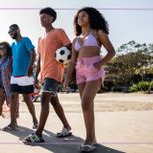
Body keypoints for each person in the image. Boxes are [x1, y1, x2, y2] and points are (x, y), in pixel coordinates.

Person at [64, 7, 115, 152]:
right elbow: (73, 61)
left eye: (84, 15)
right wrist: (67, 78)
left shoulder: (98, 32)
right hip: (80, 71)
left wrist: (99, 64)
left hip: (94, 70)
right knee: (87, 105)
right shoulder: (76, 40)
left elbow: (111, 51)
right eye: (78, 16)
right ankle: (92, 138)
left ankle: (88, 139)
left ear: (90, 18)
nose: (80, 18)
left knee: (85, 103)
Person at [24, 7, 72, 143]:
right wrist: (35, 75)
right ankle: (67, 127)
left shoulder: (59, 32)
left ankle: (38, 134)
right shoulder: (40, 38)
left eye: (44, 16)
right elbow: (40, 59)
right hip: (44, 74)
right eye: (40, 17)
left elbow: (70, 47)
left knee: (44, 99)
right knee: (54, 102)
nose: (41, 19)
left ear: (52, 18)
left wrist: (62, 55)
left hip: (55, 71)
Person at [5, 24, 38, 130]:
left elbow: (33, 54)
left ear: (18, 30)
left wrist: (30, 67)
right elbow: (10, 57)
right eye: (9, 32)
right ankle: (13, 122)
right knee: (14, 97)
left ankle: (34, 119)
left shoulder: (25, 40)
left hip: (25, 75)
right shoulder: (12, 45)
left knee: (27, 99)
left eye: (12, 31)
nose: (11, 33)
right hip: (14, 76)